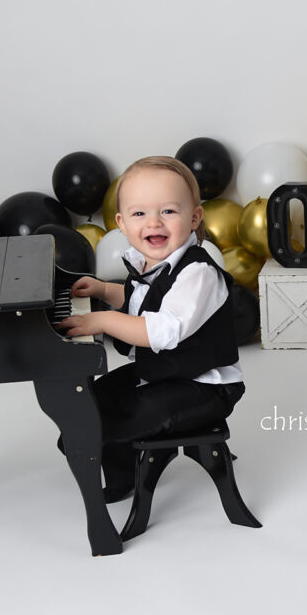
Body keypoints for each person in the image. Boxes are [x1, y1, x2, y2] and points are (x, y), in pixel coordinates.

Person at [56, 155, 245, 502]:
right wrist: (101, 290)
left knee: (123, 417)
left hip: (204, 387)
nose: (153, 222)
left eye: (168, 211)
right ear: (122, 223)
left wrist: (99, 320)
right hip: (164, 373)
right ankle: (121, 476)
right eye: (139, 213)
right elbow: (139, 299)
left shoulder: (198, 273)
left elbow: (161, 330)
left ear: (194, 217)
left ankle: (126, 467)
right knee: (94, 402)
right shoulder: (151, 265)